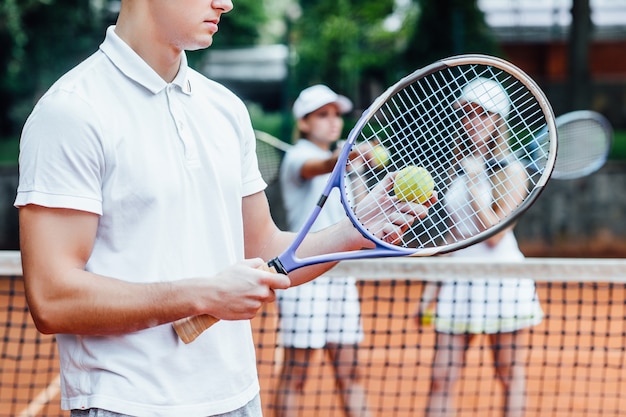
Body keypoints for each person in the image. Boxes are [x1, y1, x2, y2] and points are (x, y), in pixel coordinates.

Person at [14, 2, 434, 417]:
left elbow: (267, 247)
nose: (226, 3)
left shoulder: (225, 109)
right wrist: (202, 294)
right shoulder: (70, 111)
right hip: (126, 404)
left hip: (237, 398)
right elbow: (53, 299)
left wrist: (355, 231)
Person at [419, 78, 544, 417]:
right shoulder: (459, 168)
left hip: (502, 282)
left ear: (498, 121)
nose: (474, 122)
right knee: (441, 378)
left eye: (483, 115)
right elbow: (455, 237)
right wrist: (432, 287)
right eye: (468, 114)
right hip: (460, 282)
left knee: (509, 374)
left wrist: (476, 184)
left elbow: (495, 236)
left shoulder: (513, 171)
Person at [273, 85, 373, 417]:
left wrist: (353, 165)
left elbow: (360, 220)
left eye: (336, 115)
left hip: (339, 276)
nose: (333, 122)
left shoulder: (346, 164)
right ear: (303, 123)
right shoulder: (298, 157)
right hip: (303, 276)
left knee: (350, 371)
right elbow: (321, 165)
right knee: (297, 372)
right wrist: (343, 156)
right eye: (322, 115)